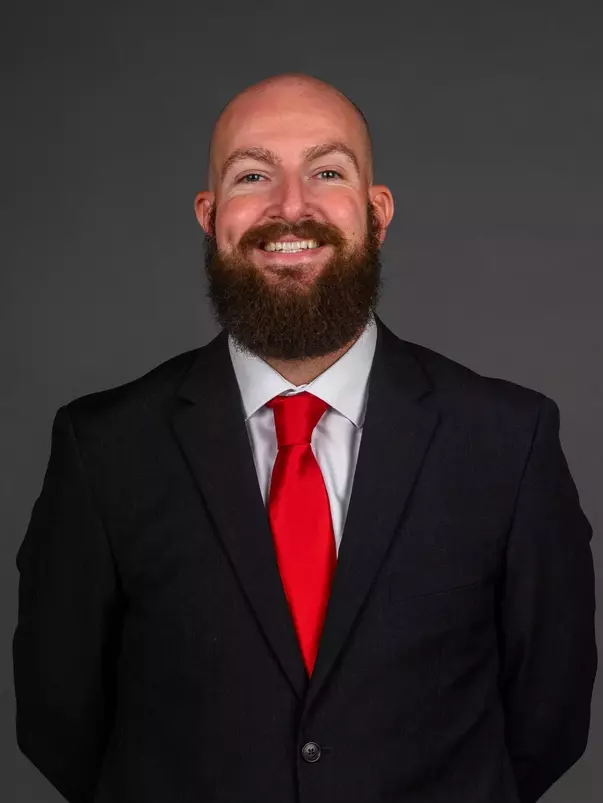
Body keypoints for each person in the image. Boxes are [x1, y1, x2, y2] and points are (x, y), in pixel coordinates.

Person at [14, 73, 596, 803]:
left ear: (376, 212)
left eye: (327, 171)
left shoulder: (508, 440)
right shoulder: (101, 447)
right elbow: (57, 721)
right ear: (211, 213)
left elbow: (549, 719)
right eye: (253, 175)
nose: (291, 207)